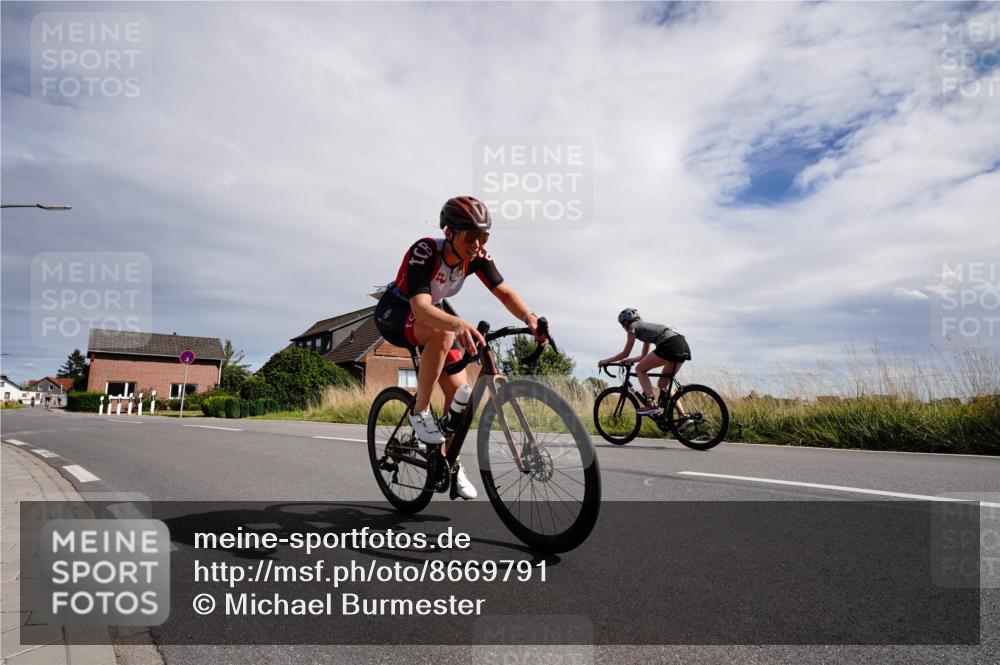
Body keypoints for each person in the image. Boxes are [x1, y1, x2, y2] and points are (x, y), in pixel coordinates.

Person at [374, 196, 546, 499]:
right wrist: (457, 324)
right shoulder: (425, 251)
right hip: (397, 312)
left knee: (461, 398)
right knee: (444, 333)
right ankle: (420, 410)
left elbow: (503, 291)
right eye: (470, 235)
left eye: (483, 236)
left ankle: (447, 465)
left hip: (433, 316)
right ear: (450, 233)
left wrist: (529, 316)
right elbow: (422, 306)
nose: (477, 244)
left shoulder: (475, 256)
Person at [598, 308, 691, 416]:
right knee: (663, 384)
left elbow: (625, 353)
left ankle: (651, 404)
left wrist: (605, 361)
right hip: (682, 345)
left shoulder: (633, 327)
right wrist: (630, 360)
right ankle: (683, 417)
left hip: (669, 345)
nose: (623, 328)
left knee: (639, 370)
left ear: (626, 322)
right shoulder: (645, 328)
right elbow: (643, 356)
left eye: (622, 325)